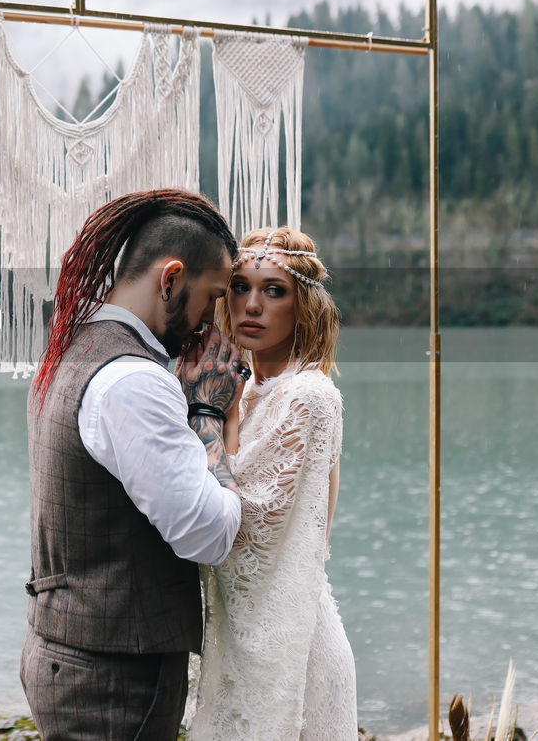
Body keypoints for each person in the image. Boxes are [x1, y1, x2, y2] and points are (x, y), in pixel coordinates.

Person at [21, 188, 250, 740]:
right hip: (114, 679)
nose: (210, 320)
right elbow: (207, 532)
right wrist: (207, 413)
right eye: (212, 296)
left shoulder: (79, 343)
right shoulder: (135, 382)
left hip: (71, 656)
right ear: (170, 280)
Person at [185, 226, 357, 740]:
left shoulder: (309, 396)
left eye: (273, 290)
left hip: (295, 647)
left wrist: (215, 418)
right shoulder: (248, 387)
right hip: (246, 640)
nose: (252, 305)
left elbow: (244, 523)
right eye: (240, 287)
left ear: (303, 306)